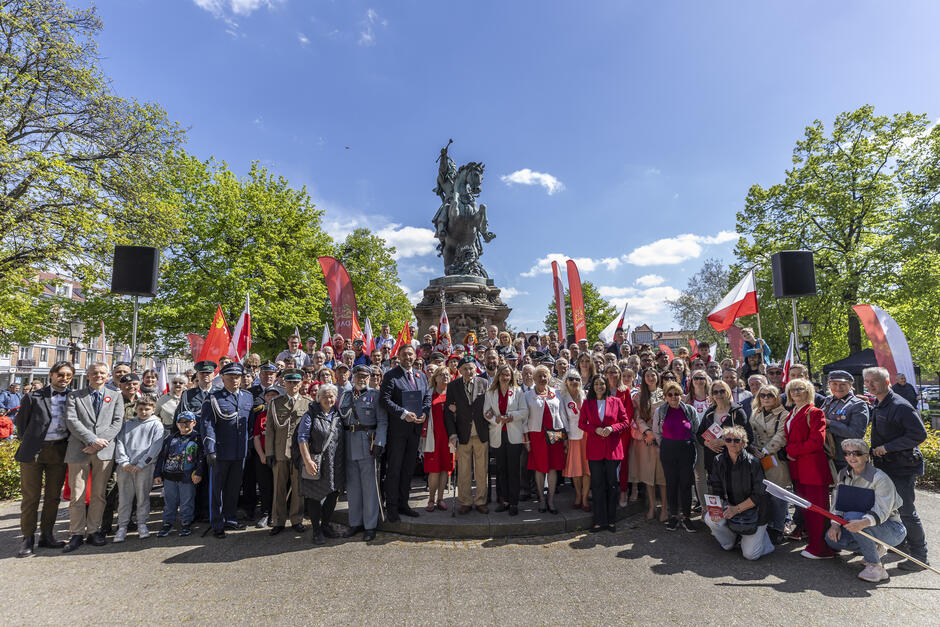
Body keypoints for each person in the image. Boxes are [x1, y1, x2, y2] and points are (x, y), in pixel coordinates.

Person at [864, 366, 930, 571]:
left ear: (886, 382)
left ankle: (920, 557)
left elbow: (919, 435)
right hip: (888, 466)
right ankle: (901, 545)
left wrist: (887, 448)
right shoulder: (880, 403)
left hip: (902, 467)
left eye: (874, 380)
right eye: (867, 381)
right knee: (893, 509)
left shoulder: (900, 405)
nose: (870, 384)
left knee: (907, 511)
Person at [61, 362, 125, 552]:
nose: (98, 375)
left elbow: (117, 421)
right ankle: (76, 533)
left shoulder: (115, 396)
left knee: (98, 494)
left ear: (107, 376)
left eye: (102, 373)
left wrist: (99, 442)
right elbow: (72, 420)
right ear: (87, 375)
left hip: (104, 451)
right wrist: (90, 440)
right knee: (77, 494)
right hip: (79, 450)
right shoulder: (74, 396)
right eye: (95, 373)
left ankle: (94, 530)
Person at [825, 438, 908, 582]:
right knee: (832, 540)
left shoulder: (880, 478)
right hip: (859, 524)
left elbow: (882, 510)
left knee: (853, 516)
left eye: (856, 453)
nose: (851, 457)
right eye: (847, 453)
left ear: (866, 456)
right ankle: (875, 548)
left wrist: (862, 523)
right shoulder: (843, 474)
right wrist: (835, 524)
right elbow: (838, 503)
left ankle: (876, 566)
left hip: (892, 528)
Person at [15, 361, 74, 557]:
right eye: (60, 374)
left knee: (52, 497)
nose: (63, 378)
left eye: (68, 375)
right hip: (34, 452)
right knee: (31, 497)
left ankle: (47, 535)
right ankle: (27, 538)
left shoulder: (74, 398)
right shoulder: (33, 397)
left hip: (59, 451)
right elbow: (21, 425)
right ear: (51, 375)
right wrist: (33, 443)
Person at [703, 425, 775, 560]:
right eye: (728, 440)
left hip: (754, 510)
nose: (732, 443)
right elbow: (716, 487)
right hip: (730, 506)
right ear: (724, 441)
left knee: (750, 555)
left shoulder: (753, 463)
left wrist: (736, 509)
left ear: (744, 442)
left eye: (737, 440)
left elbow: (759, 495)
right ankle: (730, 541)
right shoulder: (718, 460)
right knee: (711, 518)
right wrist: (719, 506)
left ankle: (763, 539)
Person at [201, 362, 254, 539]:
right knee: (217, 489)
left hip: (240, 452)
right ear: (222, 378)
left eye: (237, 376)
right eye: (230, 376)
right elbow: (207, 426)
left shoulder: (248, 397)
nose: (234, 379)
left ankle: (230, 518)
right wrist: (210, 449)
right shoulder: (213, 398)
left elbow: (250, 425)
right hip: (221, 451)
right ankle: (217, 523)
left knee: (233, 488)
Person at [783, 377, 834, 559]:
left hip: (812, 469)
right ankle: (816, 544)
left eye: (800, 389)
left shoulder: (815, 412)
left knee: (817, 509)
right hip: (798, 468)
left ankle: (821, 548)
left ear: (809, 392)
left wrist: (792, 450)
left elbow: (816, 442)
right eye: (793, 389)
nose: (796, 392)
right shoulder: (792, 412)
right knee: (807, 508)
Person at [379, 345, 430, 522]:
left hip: (414, 430)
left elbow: (427, 398)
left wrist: (424, 412)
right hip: (398, 432)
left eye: (411, 354)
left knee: (408, 469)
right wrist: (403, 414)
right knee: (394, 469)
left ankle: (403, 503)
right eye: (404, 354)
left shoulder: (421, 375)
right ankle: (391, 507)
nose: (408, 357)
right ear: (398, 357)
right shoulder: (391, 375)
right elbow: (384, 400)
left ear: (415, 356)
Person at [339, 365, 387, 542]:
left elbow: (382, 421)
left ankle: (370, 525)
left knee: (369, 487)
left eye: (365, 376)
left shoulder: (375, 396)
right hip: (349, 443)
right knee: (353, 488)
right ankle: (355, 522)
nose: (362, 379)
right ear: (353, 377)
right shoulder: (345, 395)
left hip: (368, 443)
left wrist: (380, 442)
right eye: (359, 376)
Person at [579, 374, 629, 532]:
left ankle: (611, 520)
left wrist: (612, 428)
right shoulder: (587, 403)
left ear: (606, 386)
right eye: (596, 384)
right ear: (592, 387)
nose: (599, 387)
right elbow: (581, 423)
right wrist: (595, 429)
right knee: (597, 485)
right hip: (595, 449)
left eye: (602, 384)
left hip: (612, 448)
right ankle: (599, 521)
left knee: (612, 485)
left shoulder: (616, 401)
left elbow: (626, 422)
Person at [297, 384, 345, 545]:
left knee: (333, 493)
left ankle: (325, 525)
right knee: (314, 496)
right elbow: (302, 438)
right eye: (324, 396)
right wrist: (308, 461)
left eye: (331, 396)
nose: (328, 399)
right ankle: (316, 531)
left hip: (335, 463)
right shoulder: (310, 415)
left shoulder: (338, 414)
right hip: (315, 462)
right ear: (318, 398)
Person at [112, 394, 164, 542]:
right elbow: (120, 442)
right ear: (136, 409)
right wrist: (124, 462)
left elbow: (155, 447)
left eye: (147, 409)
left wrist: (141, 463)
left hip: (144, 468)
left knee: (142, 497)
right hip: (126, 467)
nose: (143, 412)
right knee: (124, 497)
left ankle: (142, 524)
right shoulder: (128, 424)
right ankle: (122, 526)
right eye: (140, 409)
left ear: (153, 409)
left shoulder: (156, 425)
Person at [265, 369, 309, 535]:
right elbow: (270, 430)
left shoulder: (308, 403)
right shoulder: (275, 404)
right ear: (284, 383)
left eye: (296, 382)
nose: (293, 385)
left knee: (298, 488)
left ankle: (296, 519)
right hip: (279, 452)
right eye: (289, 382)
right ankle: (278, 520)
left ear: (301, 383)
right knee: (279, 488)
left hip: (299, 453)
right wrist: (269, 452)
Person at [445, 356, 491, 514]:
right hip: (462, 433)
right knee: (464, 470)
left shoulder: (484, 383)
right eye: (465, 368)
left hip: (481, 432)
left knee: (481, 470)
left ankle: (480, 501)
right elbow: (448, 413)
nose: (468, 371)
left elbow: (489, 405)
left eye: (471, 368)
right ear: (459, 370)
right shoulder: (453, 386)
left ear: (475, 369)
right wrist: (452, 434)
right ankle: (465, 501)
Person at [653, 381, 699, 532]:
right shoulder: (660, 411)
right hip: (668, 450)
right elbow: (656, 432)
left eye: (677, 394)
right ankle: (673, 516)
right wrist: (665, 444)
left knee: (686, 484)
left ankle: (686, 516)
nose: (674, 397)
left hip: (686, 450)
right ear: (666, 396)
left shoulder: (690, 410)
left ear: (681, 395)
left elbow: (696, 431)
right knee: (671, 483)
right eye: (670, 394)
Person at [482, 364, 527, 516]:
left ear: (511, 376)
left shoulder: (518, 391)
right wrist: (497, 419)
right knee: (501, 470)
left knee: (513, 470)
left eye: (508, 374)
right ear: (498, 376)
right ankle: (504, 501)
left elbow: (524, 412)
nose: (505, 377)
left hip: (513, 435)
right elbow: (486, 413)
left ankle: (514, 503)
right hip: (498, 434)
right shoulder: (491, 392)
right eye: (502, 374)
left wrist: (511, 416)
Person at [748, 384, 790, 543]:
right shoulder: (755, 412)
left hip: (774, 458)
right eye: (762, 395)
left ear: (776, 397)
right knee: (762, 493)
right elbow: (750, 432)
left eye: (770, 395)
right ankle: (766, 525)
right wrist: (752, 447)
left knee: (778, 496)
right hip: (757, 457)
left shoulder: (784, 414)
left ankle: (778, 528)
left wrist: (765, 451)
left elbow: (781, 436)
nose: (766, 398)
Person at [154, 410, 205, 537]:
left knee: (186, 501)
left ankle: (186, 523)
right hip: (169, 476)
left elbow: (201, 457)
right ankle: (167, 523)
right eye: (181, 422)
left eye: (187, 422)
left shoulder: (198, 438)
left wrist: (199, 472)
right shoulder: (170, 438)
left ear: (194, 422)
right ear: (176, 424)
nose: (184, 425)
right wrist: (157, 474)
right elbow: (162, 456)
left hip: (187, 477)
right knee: (169, 502)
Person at [524, 365, 566, 514]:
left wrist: (565, 435)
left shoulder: (557, 393)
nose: (542, 379)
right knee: (540, 468)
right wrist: (526, 440)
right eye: (539, 376)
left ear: (549, 377)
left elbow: (562, 414)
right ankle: (541, 498)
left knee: (553, 467)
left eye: (545, 376)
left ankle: (551, 499)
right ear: (534, 379)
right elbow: (524, 419)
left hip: (555, 434)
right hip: (537, 435)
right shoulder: (527, 395)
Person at [696, 379, 753, 488]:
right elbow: (699, 434)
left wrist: (724, 441)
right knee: (717, 493)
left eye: (722, 391)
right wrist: (708, 444)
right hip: (713, 461)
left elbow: (749, 436)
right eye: (715, 392)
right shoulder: (709, 413)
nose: (719, 395)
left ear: (728, 392)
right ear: (711, 395)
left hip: (733, 461)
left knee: (734, 493)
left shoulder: (737, 412)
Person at [631, 368, 668, 521]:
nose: (651, 378)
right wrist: (647, 432)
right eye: (648, 375)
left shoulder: (665, 393)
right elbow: (637, 418)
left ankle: (664, 508)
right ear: (644, 378)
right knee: (648, 476)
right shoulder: (639, 396)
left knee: (662, 477)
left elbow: (668, 414)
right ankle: (652, 506)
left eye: (653, 375)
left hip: (662, 439)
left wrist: (657, 433)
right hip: (646, 440)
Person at [820, 370, 870, 471]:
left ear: (850, 385)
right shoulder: (828, 400)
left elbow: (856, 433)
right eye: (834, 384)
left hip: (847, 458)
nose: (838, 388)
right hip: (828, 454)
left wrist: (830, 423)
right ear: (829, 384)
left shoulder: (858, 404)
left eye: (843, 384)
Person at [423, 367, 454, 512]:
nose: (445, 377)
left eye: (447, 375)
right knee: (434, 470)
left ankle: (440, 498)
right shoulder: (429, 394)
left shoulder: (453, 395)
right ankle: (430, 499)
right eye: (442, 375)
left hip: (449, 438)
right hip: (433, 437)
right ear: (435, 378)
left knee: (445, 469)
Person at [559, 371, 590, 512]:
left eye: (576, 379)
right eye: (570, 379)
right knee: (577, 470)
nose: (573, 381)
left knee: (587, 469)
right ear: (566, 381)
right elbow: (563, 419)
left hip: (588, 436)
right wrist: (565, 439)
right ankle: (578, 495)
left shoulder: (586, 394)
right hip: (573, 437)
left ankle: (584, 498)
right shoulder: (562, 397)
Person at [251, 387, 281, 529]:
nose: (272, 397)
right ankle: (266, 513)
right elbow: (256, 437)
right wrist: (262, 455)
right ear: (265, 398)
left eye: (275, 395)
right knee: (265, 485)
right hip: (263, 455)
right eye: (269, 395)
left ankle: (276, 513)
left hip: (279, 456)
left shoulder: (282, 414)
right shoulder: (261, 415)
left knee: (278, 486)